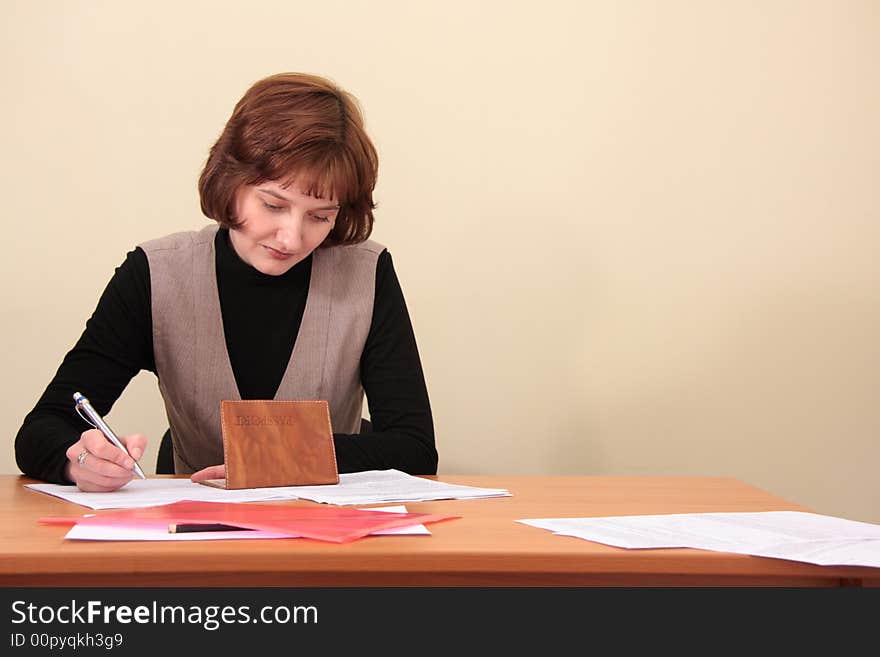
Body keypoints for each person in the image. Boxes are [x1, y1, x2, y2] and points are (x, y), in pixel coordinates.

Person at [14, 72, 437, 492]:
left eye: (320, 216)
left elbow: (415, 446)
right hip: (195, 539)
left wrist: (283, 456)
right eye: (273, 205)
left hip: (327, 534)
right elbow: (44, 428)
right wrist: (81, 461)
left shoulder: (367, 273)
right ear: (230, 180)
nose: (292, 238)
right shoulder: (157, 274)